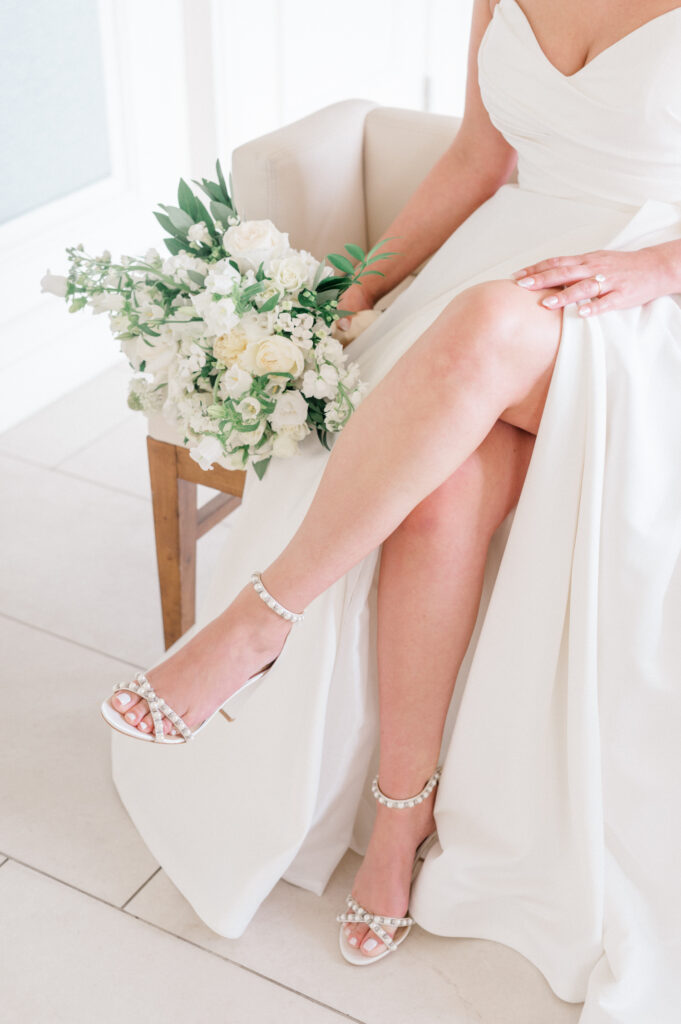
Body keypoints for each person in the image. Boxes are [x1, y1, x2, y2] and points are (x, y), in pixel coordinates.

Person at [103, 0, 681, 1016]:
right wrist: (357, 290)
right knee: (439, 493)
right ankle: (402, 817)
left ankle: (257, 622)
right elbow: (475, 158)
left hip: (640, 302)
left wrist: (656, 266)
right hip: (505, 280)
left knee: (489, 320)